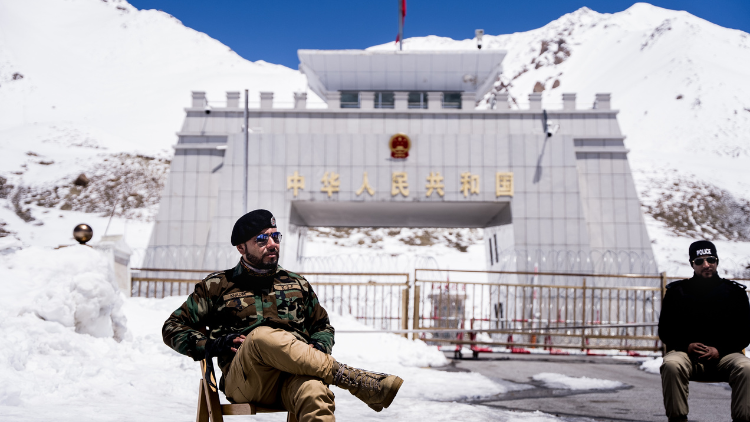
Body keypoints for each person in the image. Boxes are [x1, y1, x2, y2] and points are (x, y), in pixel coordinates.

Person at [162, 209, 403, 422]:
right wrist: (215, 345)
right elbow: (173, 327)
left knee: (315, 392)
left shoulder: (296, 283)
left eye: (275, 236)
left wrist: (318, 344)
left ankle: (349, 380)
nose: (272, 243)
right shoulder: (217, 286)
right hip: (247, 380)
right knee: (260, 338)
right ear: (241, 247)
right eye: (261, 239)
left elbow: (322, 326)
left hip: (291, 378)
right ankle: (354, 380)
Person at [658, 240, 750, 422]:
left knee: (746, 367)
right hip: (686, 354)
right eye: (700, 261)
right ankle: (677, 419)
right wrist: (687, 345)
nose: (706, 265)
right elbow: (665, 330)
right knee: (671, 364)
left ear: (717, 261)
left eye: (711, 260)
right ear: (692, 263)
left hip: (725, 355)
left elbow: (744, 333)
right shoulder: (677, 292)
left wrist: (720, 350)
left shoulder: (735, 293)